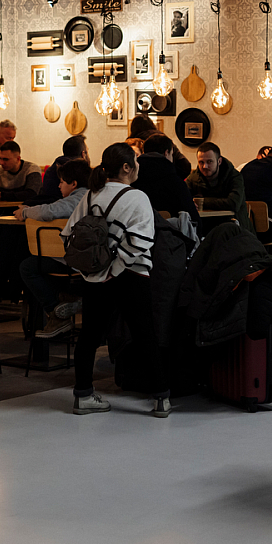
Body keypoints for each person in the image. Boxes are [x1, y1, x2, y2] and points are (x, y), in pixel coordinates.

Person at [63, 143, 171, 417]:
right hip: (132, 275)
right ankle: (161, 398)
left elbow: (69, 236)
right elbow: (143, 239)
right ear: (126, 167)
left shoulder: (89, 195)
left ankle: (83, 395)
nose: (138, 164)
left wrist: (97, 270)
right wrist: (117, 265)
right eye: (135, 159)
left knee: (89, 335)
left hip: (94, 277)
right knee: (145, 332)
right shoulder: (138, 197)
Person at [15, 158, 91, 337]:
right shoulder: (93, 195)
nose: (59, 186)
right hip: (91, 259)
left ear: (73, 183)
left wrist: (25, 212)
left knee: (27, 266)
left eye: (62, 182)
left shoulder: (77, 199)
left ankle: (56, 312)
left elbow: (48, 211)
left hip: (76, 261)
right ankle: (65, 300)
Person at [186, 141, 254, 233]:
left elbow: (233, 203)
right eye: (201, 162)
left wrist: (202, 202)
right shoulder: (193, 178)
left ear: (219, 161)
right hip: (205, 229)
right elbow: (184, 199)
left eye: (209, 161)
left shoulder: (234, 177)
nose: (205, 166)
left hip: (235, 228)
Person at [135, 134, 199, 224]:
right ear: (166, 153)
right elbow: (194, 219)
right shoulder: (175, 183)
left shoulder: (133, 180)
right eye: (172, 154)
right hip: (168, 235)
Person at [33, 135, 89, 207]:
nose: (60, 186)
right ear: (83, 154)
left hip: (43, 210)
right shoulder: (78, 172)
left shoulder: (52, 169)